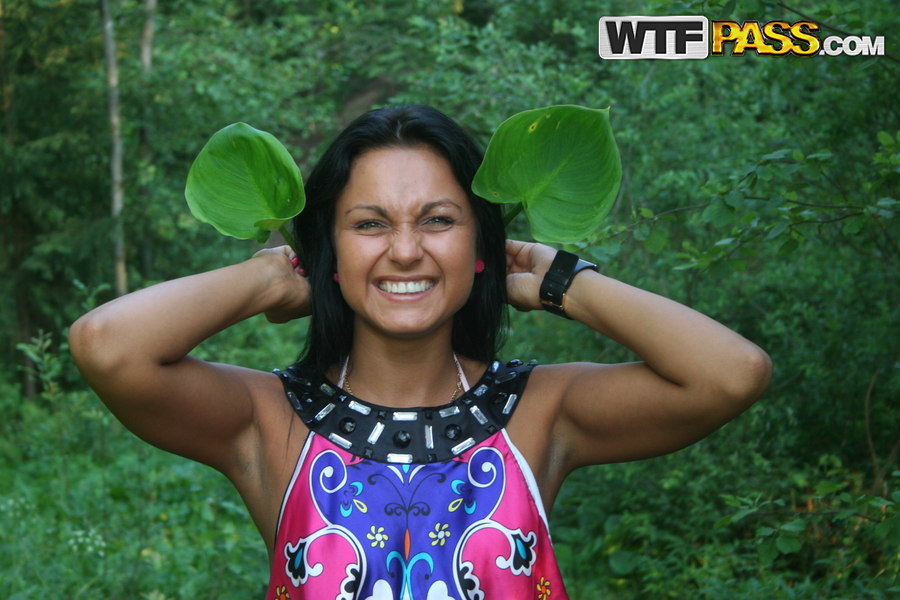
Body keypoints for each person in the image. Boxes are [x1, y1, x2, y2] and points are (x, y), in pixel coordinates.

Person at [69, 105, 771, 599]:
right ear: (331, 251)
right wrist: (269, 276)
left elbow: (732, 373)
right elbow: (106, 344)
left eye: (438, 220)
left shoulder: (540, 412)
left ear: (479, 246)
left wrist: (560, 280)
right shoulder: (270, 421)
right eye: (369, 224)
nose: (405, 250)